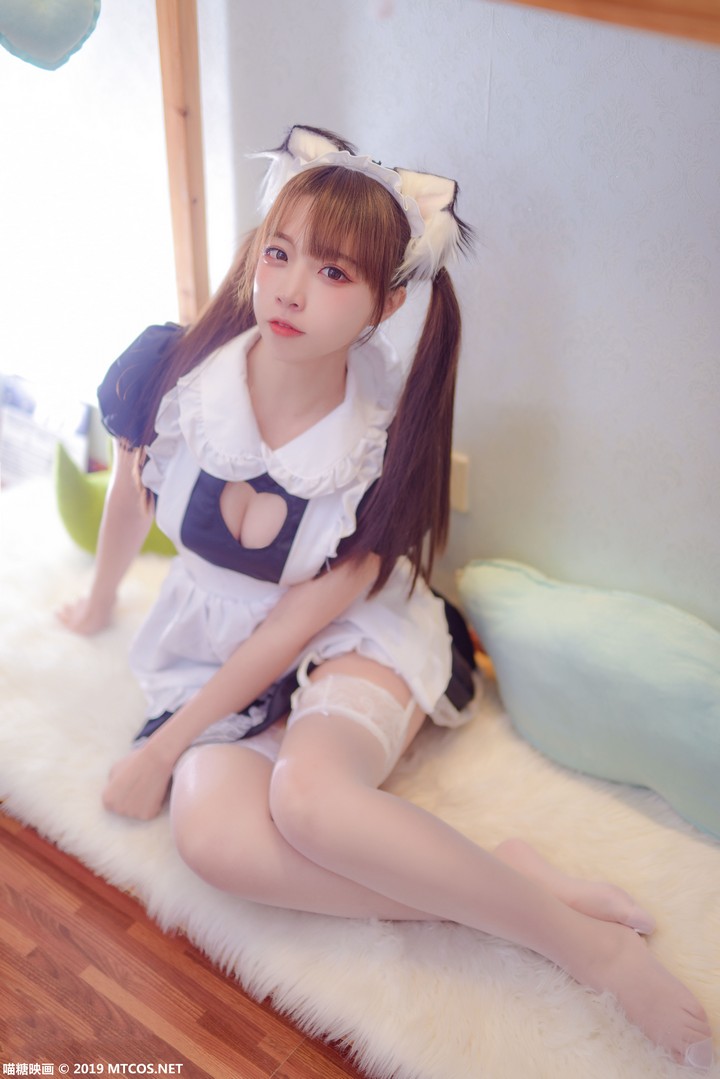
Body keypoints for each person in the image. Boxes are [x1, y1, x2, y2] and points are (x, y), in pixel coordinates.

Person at [59, 125, 713, 1070]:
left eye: (333, 273)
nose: (290, 289)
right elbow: (130, 488)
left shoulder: (380, 442)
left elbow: (295, 624)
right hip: (218, 653)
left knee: (310, 803)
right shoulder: (171, 369)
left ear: (387, 301)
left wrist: (162, 746)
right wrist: (99, 598)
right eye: (279, 253)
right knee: (213, 840)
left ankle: (589, 949)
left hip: (348, 639)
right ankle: (505, 885)